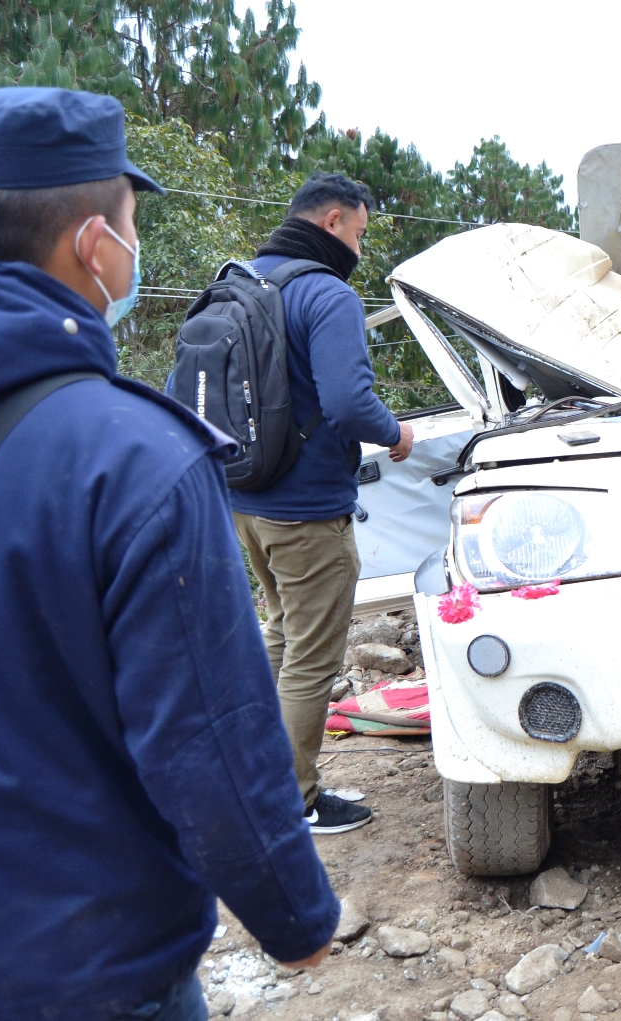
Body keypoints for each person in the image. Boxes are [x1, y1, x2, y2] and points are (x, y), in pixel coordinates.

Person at [0, 87, 338, 1019]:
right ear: (91, 245)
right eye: (131, 218)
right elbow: (209, 742)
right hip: (93, 969)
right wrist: (297, 918)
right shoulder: (135, 456)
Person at [218, 173, 414, 835]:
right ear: (333, 221)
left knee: (279, 631)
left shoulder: (242, 281)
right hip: (305, 511)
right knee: (311, 656)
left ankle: (260, 776)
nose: (359, 248)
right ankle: (292, 798)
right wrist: (397, 432)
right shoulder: (325, 294)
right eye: (358, 233)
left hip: (247, 499)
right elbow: (349, 401)